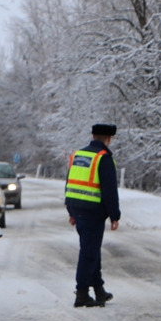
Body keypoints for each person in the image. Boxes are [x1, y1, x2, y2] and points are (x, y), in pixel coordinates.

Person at [65, 123, 121, 307]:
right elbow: (109, 190)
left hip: (77, 208)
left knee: (91, 248)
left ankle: (99, 290)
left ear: (93, 135)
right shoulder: (103, 158)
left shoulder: (78, 155)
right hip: (93, 211)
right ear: (109, 138)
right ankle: (81, 294)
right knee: (89, 252)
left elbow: (69, 183)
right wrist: (115, 215)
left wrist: (70, 210)